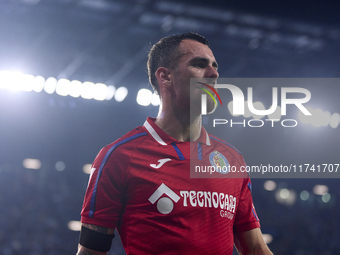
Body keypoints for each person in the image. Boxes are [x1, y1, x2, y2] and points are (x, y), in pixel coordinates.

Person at [76, 33, 273, 255]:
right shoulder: (119, 156)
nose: (214, 73)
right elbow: (91, 252)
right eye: (199, 64)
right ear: (166, 77)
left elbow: (255, 248)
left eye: (215, 66)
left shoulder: (233, 160)